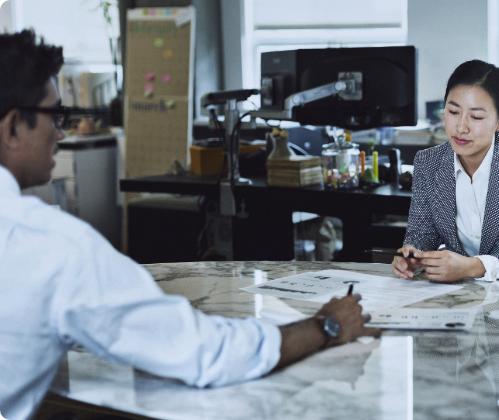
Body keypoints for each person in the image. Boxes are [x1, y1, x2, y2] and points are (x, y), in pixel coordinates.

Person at [0, 30, 380, 420]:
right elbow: (204, 353)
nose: (61, 132)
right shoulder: (49, 244)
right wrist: (326, 326)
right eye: (55, 116)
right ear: (13, 127)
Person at [392, 60, 499, 283]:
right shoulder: (427, 162)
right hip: (450, 294)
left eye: (476, 117)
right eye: (453, 112)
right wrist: (413, 255)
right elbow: (422, 235)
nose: (461, 127)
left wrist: (474, 267)